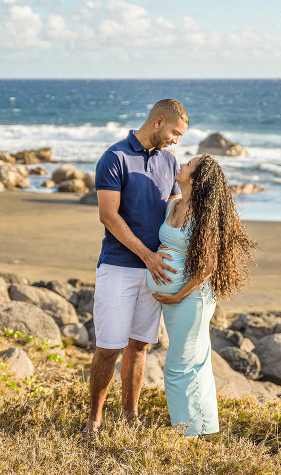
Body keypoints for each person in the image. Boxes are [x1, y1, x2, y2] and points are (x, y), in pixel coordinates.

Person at [84, 99, 189, 434]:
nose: (176, 140)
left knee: (139, 345)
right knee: (108, 348)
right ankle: (94, 419)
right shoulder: (114, 158)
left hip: (154, 271)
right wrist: (148, 256)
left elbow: (176, 211)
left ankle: (130, 416)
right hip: (118, 267)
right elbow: (108, 216)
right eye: (175, 132)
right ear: (158, 121)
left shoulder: (170, 162)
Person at [148, 154, 257, 437]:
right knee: (196, 364)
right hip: (175, 301)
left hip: (192, 299)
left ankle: (187, 434)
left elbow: (208, 266)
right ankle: (205, 428)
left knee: (178, 368)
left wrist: (177, 295)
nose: (182, 164)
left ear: (197, 179)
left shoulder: (203, 215)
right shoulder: (173, 204)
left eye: (189, 165)